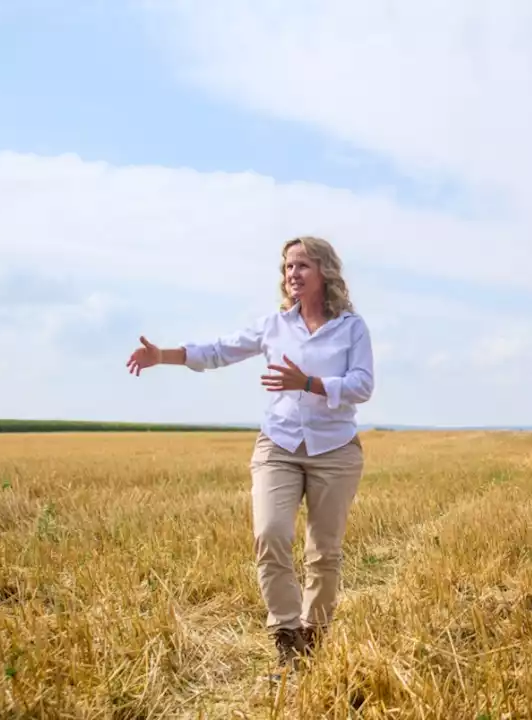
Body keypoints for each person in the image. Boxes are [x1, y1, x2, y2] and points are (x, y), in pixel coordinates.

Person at [125, 236, 375, 674]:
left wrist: (310, 384)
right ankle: (285, 634)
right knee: (271, 533)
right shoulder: (275, 325)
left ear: (324, 272)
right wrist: (161, 355)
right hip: (278, 445)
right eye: (286, 267)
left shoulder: (352, 328)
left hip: (335, 450)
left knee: (324, 553)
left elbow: (362, 386)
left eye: (301, 266)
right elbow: (219, 351)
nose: (291, 274)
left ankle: (314, 637)